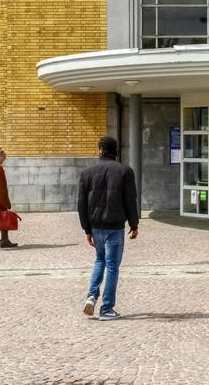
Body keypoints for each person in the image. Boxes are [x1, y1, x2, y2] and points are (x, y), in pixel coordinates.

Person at [77, 135, 140, 321]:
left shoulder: (87, 173)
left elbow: (81, 204)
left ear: (100, 150)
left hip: (96, 226)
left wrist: (86, 229)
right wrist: (134, 224)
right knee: (112, 266)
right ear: (116, 151)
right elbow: (131, 200)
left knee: (99, 261)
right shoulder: (125, 171)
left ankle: (91, 296)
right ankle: (106, 309)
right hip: (115, 226)